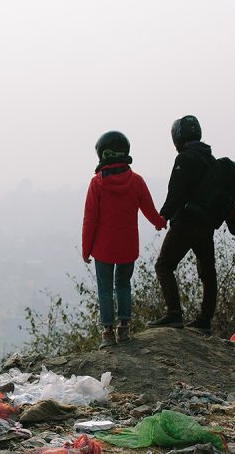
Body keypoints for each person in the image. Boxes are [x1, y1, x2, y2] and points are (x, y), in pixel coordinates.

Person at [82, 131, 167, 349]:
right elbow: (149, 209)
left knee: (105, 289)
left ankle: (108, 333)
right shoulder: (136, 181)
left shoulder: (96, 184)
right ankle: (125, 328)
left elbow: (89, 220)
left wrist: (86, 250)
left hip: (103, 248)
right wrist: (159, 222)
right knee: (123, 285)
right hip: (128, 246)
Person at [148, 115, 217, 332]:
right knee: (208, 273)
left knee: (164, 265)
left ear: (178, 137)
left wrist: (164, 216)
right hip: (206, 224)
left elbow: (175, 192)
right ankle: (204, 320)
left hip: (186, 222)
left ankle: (174, 314)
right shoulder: (210, 159)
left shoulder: (185, 159)